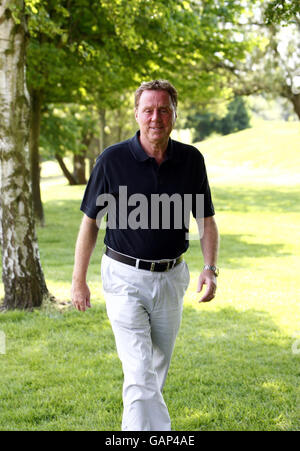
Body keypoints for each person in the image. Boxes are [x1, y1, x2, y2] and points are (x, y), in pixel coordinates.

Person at [71, 80, 219, 431]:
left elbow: (206, 220)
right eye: (148, 110)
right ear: (136, 113)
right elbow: (90, 223)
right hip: (124, 277)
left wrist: (210, 268)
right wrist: (79, 281)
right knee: (139, 371)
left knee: (151, 373)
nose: (156, 117)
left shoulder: (191, 161)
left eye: (164, 109)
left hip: (171, 279)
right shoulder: (112, 161)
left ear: (174, 115)